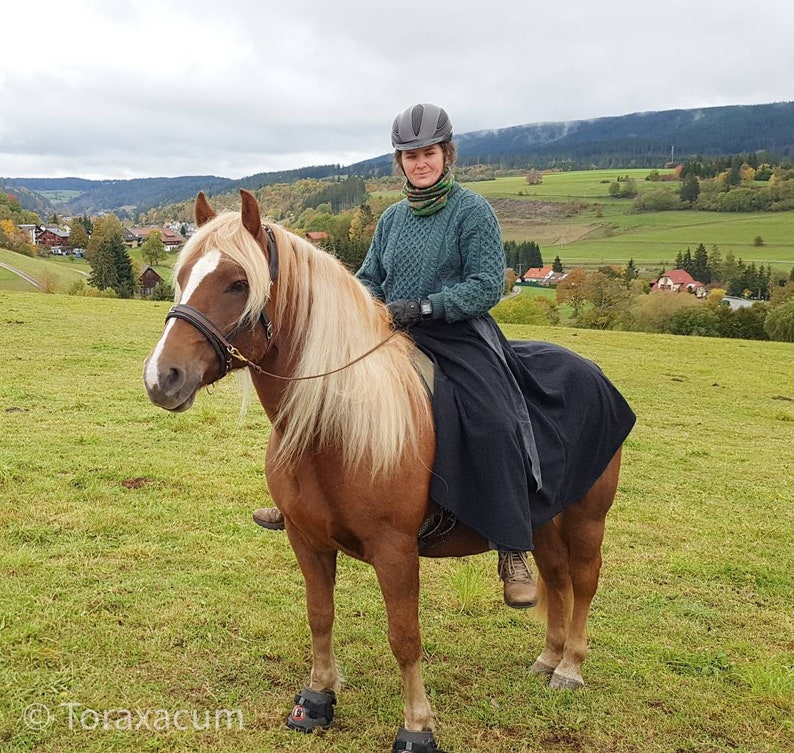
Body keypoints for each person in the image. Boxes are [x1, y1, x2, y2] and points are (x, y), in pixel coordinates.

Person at [253, 102, 538, 609]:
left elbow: (486, 284)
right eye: (410, 155)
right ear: (400, 162)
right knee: (316, 389)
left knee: (493, 417)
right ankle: (298, 503)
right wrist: (359, 304)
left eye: (428, 153)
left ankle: (513, 545)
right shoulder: (391, 219)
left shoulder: (473, 212)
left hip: (458, 334)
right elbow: (369, 277)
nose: (419, 162)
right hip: (389, 330)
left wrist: (429, 305)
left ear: (445, 155)